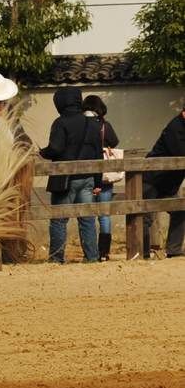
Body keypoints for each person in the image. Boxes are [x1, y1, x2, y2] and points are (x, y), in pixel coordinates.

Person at [39, 86, 103, 263]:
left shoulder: (60, 122)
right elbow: (98, 153)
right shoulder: (93, 123)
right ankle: (92, 257)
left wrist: (43, 153)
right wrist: (98, 181)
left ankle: (56, 258)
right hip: (88, 177)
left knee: (59, 220)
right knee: (87, 219)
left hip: (65, 180)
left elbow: (56, 148)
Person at [143, 103, 185, 259]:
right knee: (145, 217)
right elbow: (180, 152)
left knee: (180, 211)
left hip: (168, 184)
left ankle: (173, 249)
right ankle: (142, 252)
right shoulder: (175, 128)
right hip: (152, 179)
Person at [82, 95, 120, 260]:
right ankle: (104, 252)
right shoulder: (105, 125)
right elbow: (115, 142)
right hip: (104, 174)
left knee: (86, 213)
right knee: (104, 214)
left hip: (86, 174)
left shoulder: (82, 125)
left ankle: (90, 252)